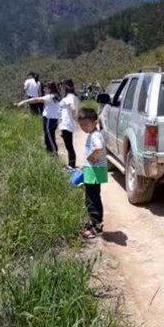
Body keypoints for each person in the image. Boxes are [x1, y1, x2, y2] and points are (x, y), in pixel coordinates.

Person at [77, 108, 108, 239]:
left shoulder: (95, 135)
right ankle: (94, 222)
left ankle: (97, 226)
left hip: (94, 171)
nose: (83, 127)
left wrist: (92, 157)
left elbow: (99, 147)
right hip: (94, 171)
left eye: (86, 124)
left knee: (92, 199)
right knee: (93, 197)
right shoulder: (94, 134)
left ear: (94, 122)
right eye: (81, 125)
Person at [16, 81, 61, 155]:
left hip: (50, 119)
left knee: (50, 137)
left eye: (46, 88)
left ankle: (54, 152)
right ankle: (50, 152)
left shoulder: (50, 97)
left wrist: (24, 101)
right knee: (48, 136)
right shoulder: (55, 96)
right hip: (52, 118)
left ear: (50, 88)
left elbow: (36, 100)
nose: (44, 90)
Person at [59, 79, 79, 170]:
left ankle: (72, 165)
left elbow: (73, 108)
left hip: (67, 124)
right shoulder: (71, 96)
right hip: (66, 124)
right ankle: (71, 164)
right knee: (68, 145)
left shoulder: (70, 97)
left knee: (69, 146)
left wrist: (75, 117)